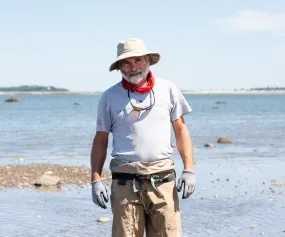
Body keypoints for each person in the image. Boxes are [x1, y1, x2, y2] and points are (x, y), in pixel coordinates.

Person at [90, 38, 196, 237]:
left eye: (137, 60)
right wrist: (95, 179)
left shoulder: (168, 89)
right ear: (120, 67)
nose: (133, 67)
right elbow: (101, 139)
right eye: (126, 63)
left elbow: (181, 130)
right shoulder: (109, 96)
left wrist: (189, 169)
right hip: (125, 183)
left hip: (162, 179)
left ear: (147, 60)